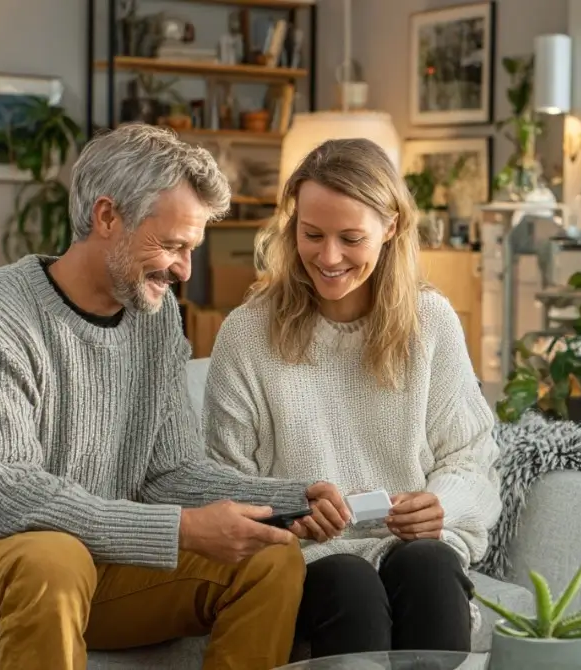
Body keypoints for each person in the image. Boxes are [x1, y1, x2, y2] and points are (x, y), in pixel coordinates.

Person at [0, 124, 349, 670]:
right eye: (172, 245)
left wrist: (289, 501)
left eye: (191, 249)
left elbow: (169, 471)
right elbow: (6, 498)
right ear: (108, 217)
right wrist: (181, 529)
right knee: (53, 558)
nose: (183, 270)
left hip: (96, 561)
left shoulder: (154, 319)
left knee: (271, 558)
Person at [203, 138, 502, 659]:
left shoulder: (431, 323)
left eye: (351, 238)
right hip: (306, 559)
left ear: (391, 228)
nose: (329, 257)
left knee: (430, 565)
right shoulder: (247, 334)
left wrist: (441, 506)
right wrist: (293, 512)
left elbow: (471, 459)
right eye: (312, 234)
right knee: (351, 582)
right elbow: (224, 485)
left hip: (412, 549)